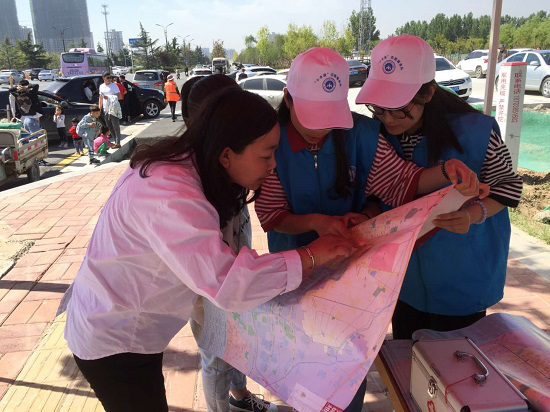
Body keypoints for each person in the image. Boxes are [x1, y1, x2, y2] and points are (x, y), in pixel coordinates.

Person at [61, 87, 355, 412]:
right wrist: (311, 256)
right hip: (114, 338)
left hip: (128, 327)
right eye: (266, 155)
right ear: (226, 154)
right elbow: (228, 281)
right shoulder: (170, 193)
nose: (273, 165)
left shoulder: (188, 167)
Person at [254, 47, 487, 412]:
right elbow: (270, 213)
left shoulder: (360, 134)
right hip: (297, 269)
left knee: (347, 366)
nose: (319, 130)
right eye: (310, 117)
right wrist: (316, 222)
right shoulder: (271, 141)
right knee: (301, 364)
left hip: (352, 274)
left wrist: (446, 172)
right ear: (288, 99)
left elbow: (399, 182)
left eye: (329, 118)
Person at [355, 34, 523, 339]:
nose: (388, 119)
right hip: (403, 280)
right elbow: (377, 190)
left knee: (455, 361)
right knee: (407, 354)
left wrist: (472, 214)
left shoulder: (475, 132)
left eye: (398, 108)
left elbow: (508, 187)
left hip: (462, 278)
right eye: (378, 108)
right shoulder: (376, 135)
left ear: (428, 92)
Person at [184, 74, 277, 412]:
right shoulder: (195, 186)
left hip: (235, 279)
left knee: (237, 345)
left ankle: (240, 397)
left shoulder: (231, 167)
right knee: (216, 356)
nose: (272, 166)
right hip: (213, 290)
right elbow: (211, 271)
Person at [99, 72, 122, 148]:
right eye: (108, 78)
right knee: (109, 126)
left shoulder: (114, 86)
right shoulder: (101, 86)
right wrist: (99, 108)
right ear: (103, 78)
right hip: (106, 109)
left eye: (110, 78)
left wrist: (109, 97)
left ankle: (118, 143)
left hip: (113, 109)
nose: (110, 79)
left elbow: (119, 97)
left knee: (116, 126)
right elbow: (100, 98)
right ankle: (115, 141)